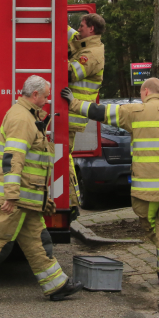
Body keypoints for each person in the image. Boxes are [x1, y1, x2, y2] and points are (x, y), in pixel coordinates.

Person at [62, 78, 159, 288]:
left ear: (145, 91)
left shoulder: (135, 112)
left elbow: (100, 112)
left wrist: (73, 102)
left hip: (146, 188)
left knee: (151, 226)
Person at [0, 75, 83, 303]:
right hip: (15, 199)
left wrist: (41, 198)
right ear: (34, 95)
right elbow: (13, 159)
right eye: (46, 96)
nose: (48, 100)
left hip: (25, 198)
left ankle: (57, 285)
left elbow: (31, 163)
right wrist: (12, 195)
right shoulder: (22, 119)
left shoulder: (26, 116)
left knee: (37, 240)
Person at [66, 13, 105, 218]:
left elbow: (70, 73)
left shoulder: (92, 53)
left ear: (91, 29)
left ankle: (72, 203)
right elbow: (71, 35)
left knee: (63, 156)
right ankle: (71, 201)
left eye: (81, 26)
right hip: (68, 111)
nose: (78, 29)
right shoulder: (85, 44)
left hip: (72, 113)